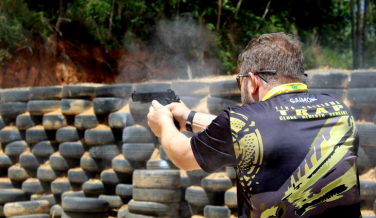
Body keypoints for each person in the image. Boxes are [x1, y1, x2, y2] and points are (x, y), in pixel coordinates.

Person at [147, 32, 360, 218]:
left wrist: (163, 122)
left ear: (253, 80)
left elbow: (182, 156)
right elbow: (270, 131)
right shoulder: (340, 111)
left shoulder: (241, 122)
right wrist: (190, 117)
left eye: (240, 82)